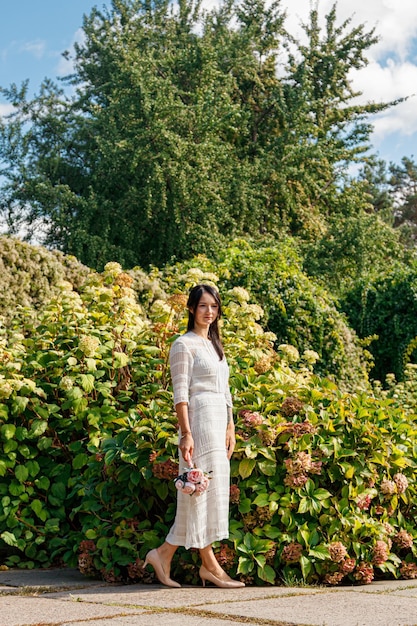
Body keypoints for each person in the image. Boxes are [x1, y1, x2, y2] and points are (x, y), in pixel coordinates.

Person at [144, 284, 244, 588]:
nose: (209, 312)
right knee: (198, 489)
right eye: (203, 306)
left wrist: (231, 425)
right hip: (198, 423)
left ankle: (163, 554)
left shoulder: (215, 345)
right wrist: (186, 434)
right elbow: (180, 394)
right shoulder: (182, 345)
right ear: (191, 309)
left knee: (208, 493)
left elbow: (225, 390)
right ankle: (209, 566)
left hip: (218, 424)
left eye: (214, 307)